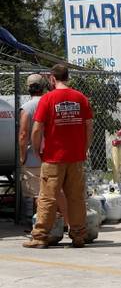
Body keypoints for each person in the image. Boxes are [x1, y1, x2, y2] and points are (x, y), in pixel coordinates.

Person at [24, 64, 93, 248]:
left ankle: (40, 237)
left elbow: (37, 129)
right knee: (76, 197)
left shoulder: (47, 99)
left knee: (47, 197)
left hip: (53, 158)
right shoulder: (81, 98)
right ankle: (78, 236)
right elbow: (89, 127)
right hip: (76, 158)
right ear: (67, 77)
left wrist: (37, 150)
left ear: (52, 79)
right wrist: (84, 148)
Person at [19, 73, 68, 223]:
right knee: (56, 191)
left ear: (28, 88)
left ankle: (42, 225)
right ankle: (63, 222)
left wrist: (22, 157)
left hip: (33, 157)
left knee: (37, 194)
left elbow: (23, 134)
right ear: (43, 87)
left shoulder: (27, 108)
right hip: (53, 154)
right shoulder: (52, 102)